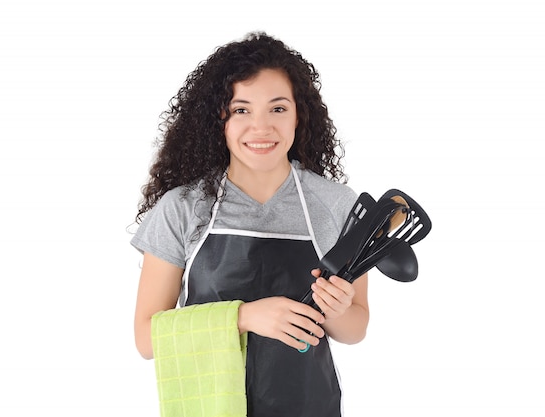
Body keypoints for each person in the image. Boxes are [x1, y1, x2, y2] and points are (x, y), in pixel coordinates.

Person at [131, 32, 369, 417]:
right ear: (218, 119)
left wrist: (338, 309)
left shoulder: (336, 205)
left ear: (298, 115)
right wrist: (245, 317)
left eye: (277, 109)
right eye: (241, 110)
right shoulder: (183, 208)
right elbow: (146, 337)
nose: (261, 128)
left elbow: (356, 329)